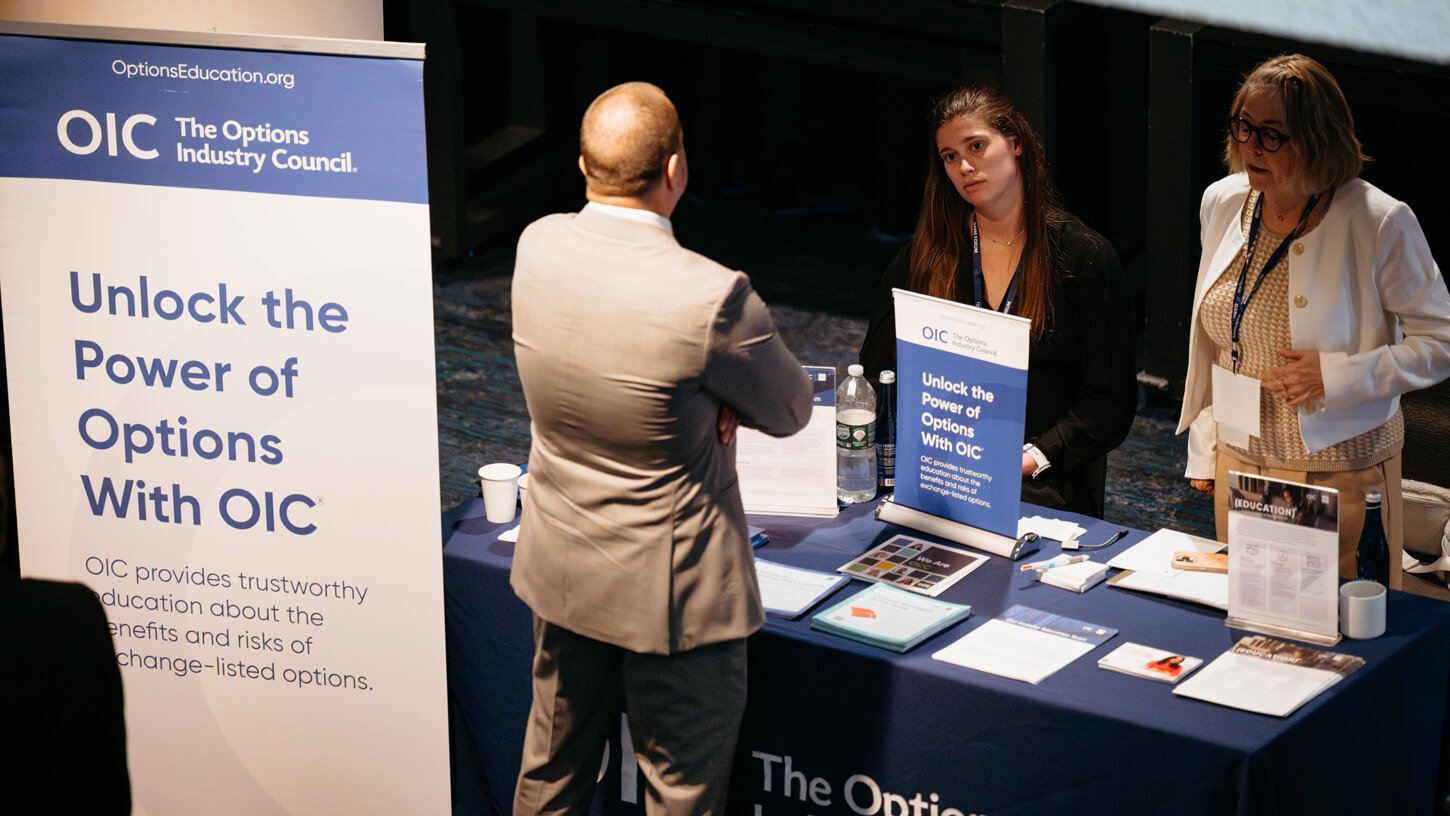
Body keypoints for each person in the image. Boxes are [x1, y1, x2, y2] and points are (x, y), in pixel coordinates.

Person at [509, 82, 812, 815]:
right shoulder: (709, 297)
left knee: (549, 779)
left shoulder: (535, 243)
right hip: (673, 601)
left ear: (584, 166)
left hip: (562, 571)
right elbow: (792, 408)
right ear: (677, 168)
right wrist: (719, 397)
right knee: (679, 799)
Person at [1178, 54, 1450, 589]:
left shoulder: (1378, 221)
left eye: (1272, 135)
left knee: (1341, 631)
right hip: (1243, 458)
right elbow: (1220, 339)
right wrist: (1207, 446)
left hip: (1340, 468)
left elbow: (1441, 342)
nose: (1251, 146)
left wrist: (1337, 375)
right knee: (1253, 618)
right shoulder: (1224, 201)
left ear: (1317, 139)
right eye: (1244, 126)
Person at [859, 84, 1137, 517]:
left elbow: (1109, 401)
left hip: (1038, 480)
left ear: (1015, 143)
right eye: (950, 156)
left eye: (976, 146)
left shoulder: (1082, 257)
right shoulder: (924, 256)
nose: (965, 166)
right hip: (941, 471)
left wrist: (1028, 460)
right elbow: (881, 371)